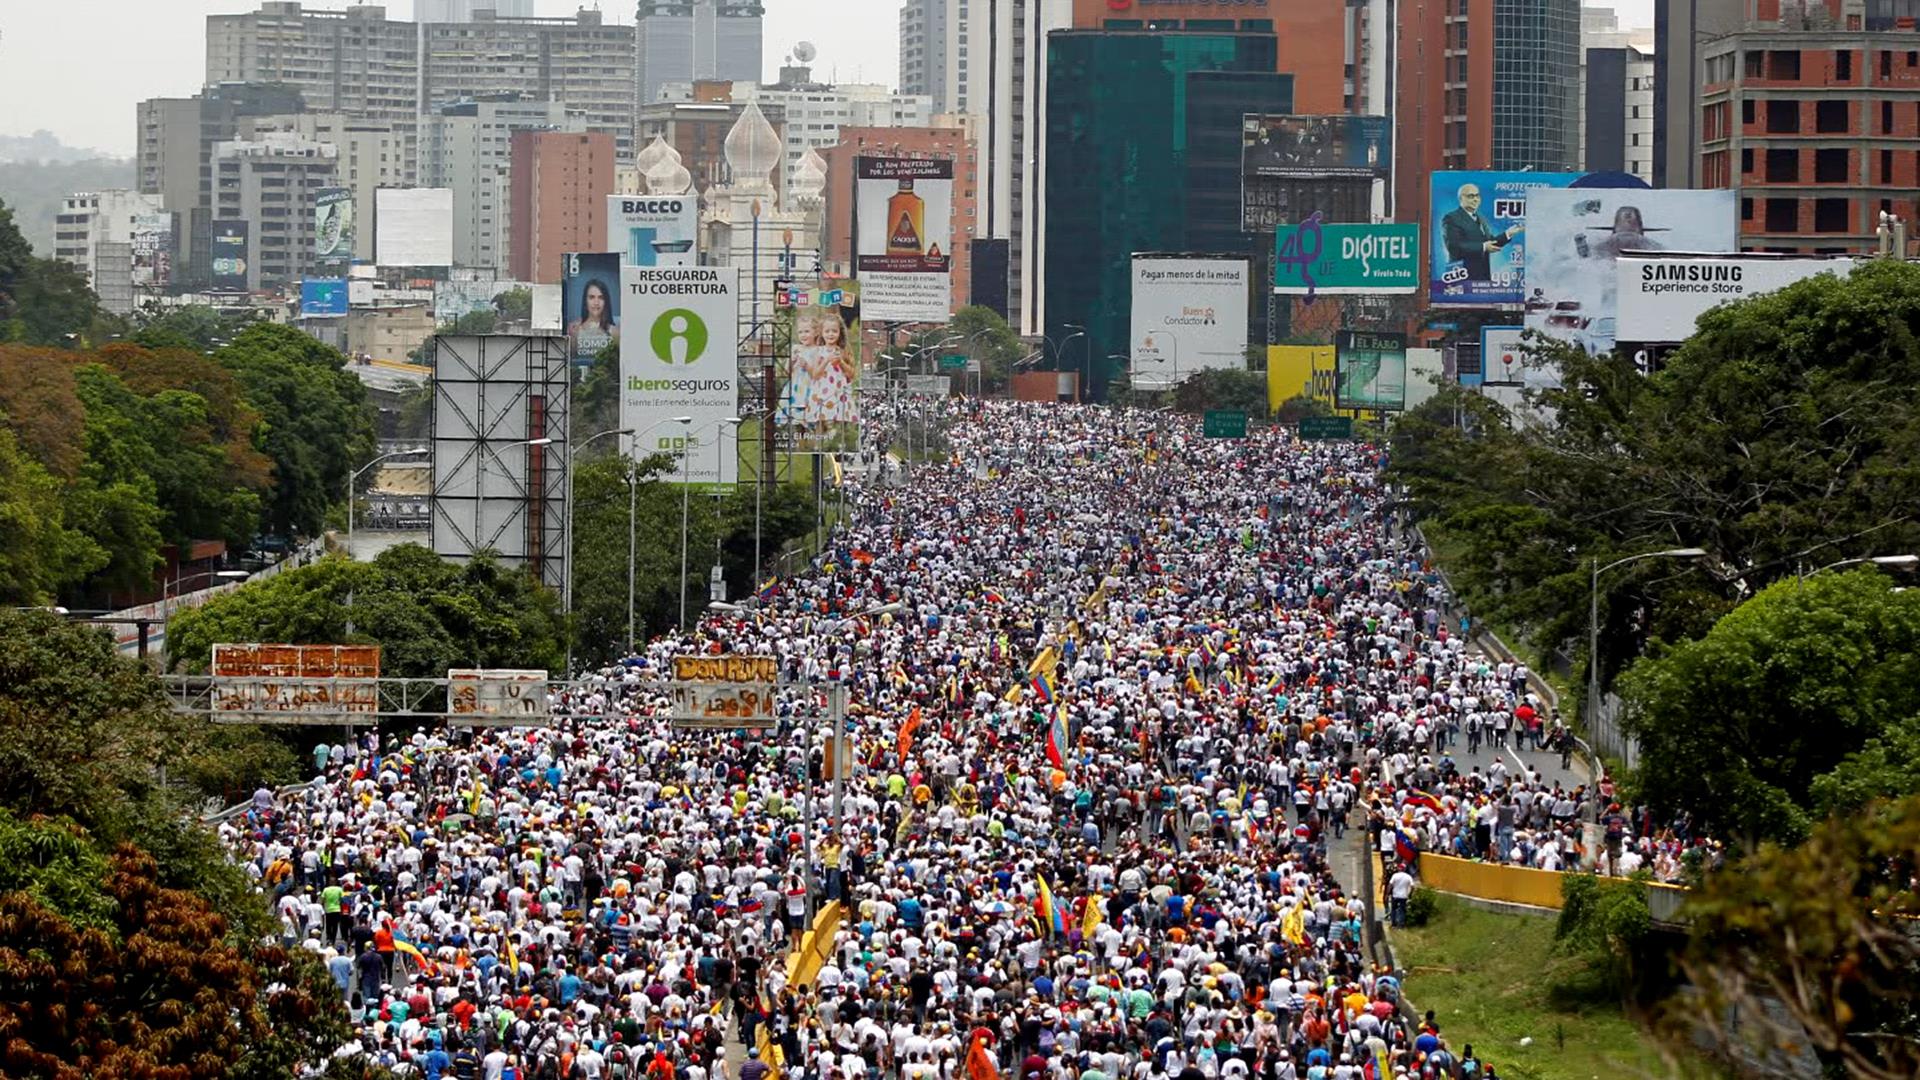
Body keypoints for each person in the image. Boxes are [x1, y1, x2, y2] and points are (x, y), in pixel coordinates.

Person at [1440, 184, 1520, 283]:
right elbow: (1453, 246)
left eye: (1477, 196)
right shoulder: (1451, 218)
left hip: (1482, 277)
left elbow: (1490, 242)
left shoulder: (1480, 218)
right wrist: (1483, 247)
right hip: (1461, 276)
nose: (1475, 199)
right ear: (1461, 198)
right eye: (1471, 196)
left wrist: (1508, 233)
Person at [567, 278, 615, 361]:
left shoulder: (615, 332)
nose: (596, 302)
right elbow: (570, 360)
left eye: (601, 297)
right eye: (591, 297)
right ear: (585, 301)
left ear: (606, 301)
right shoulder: (573, 329)